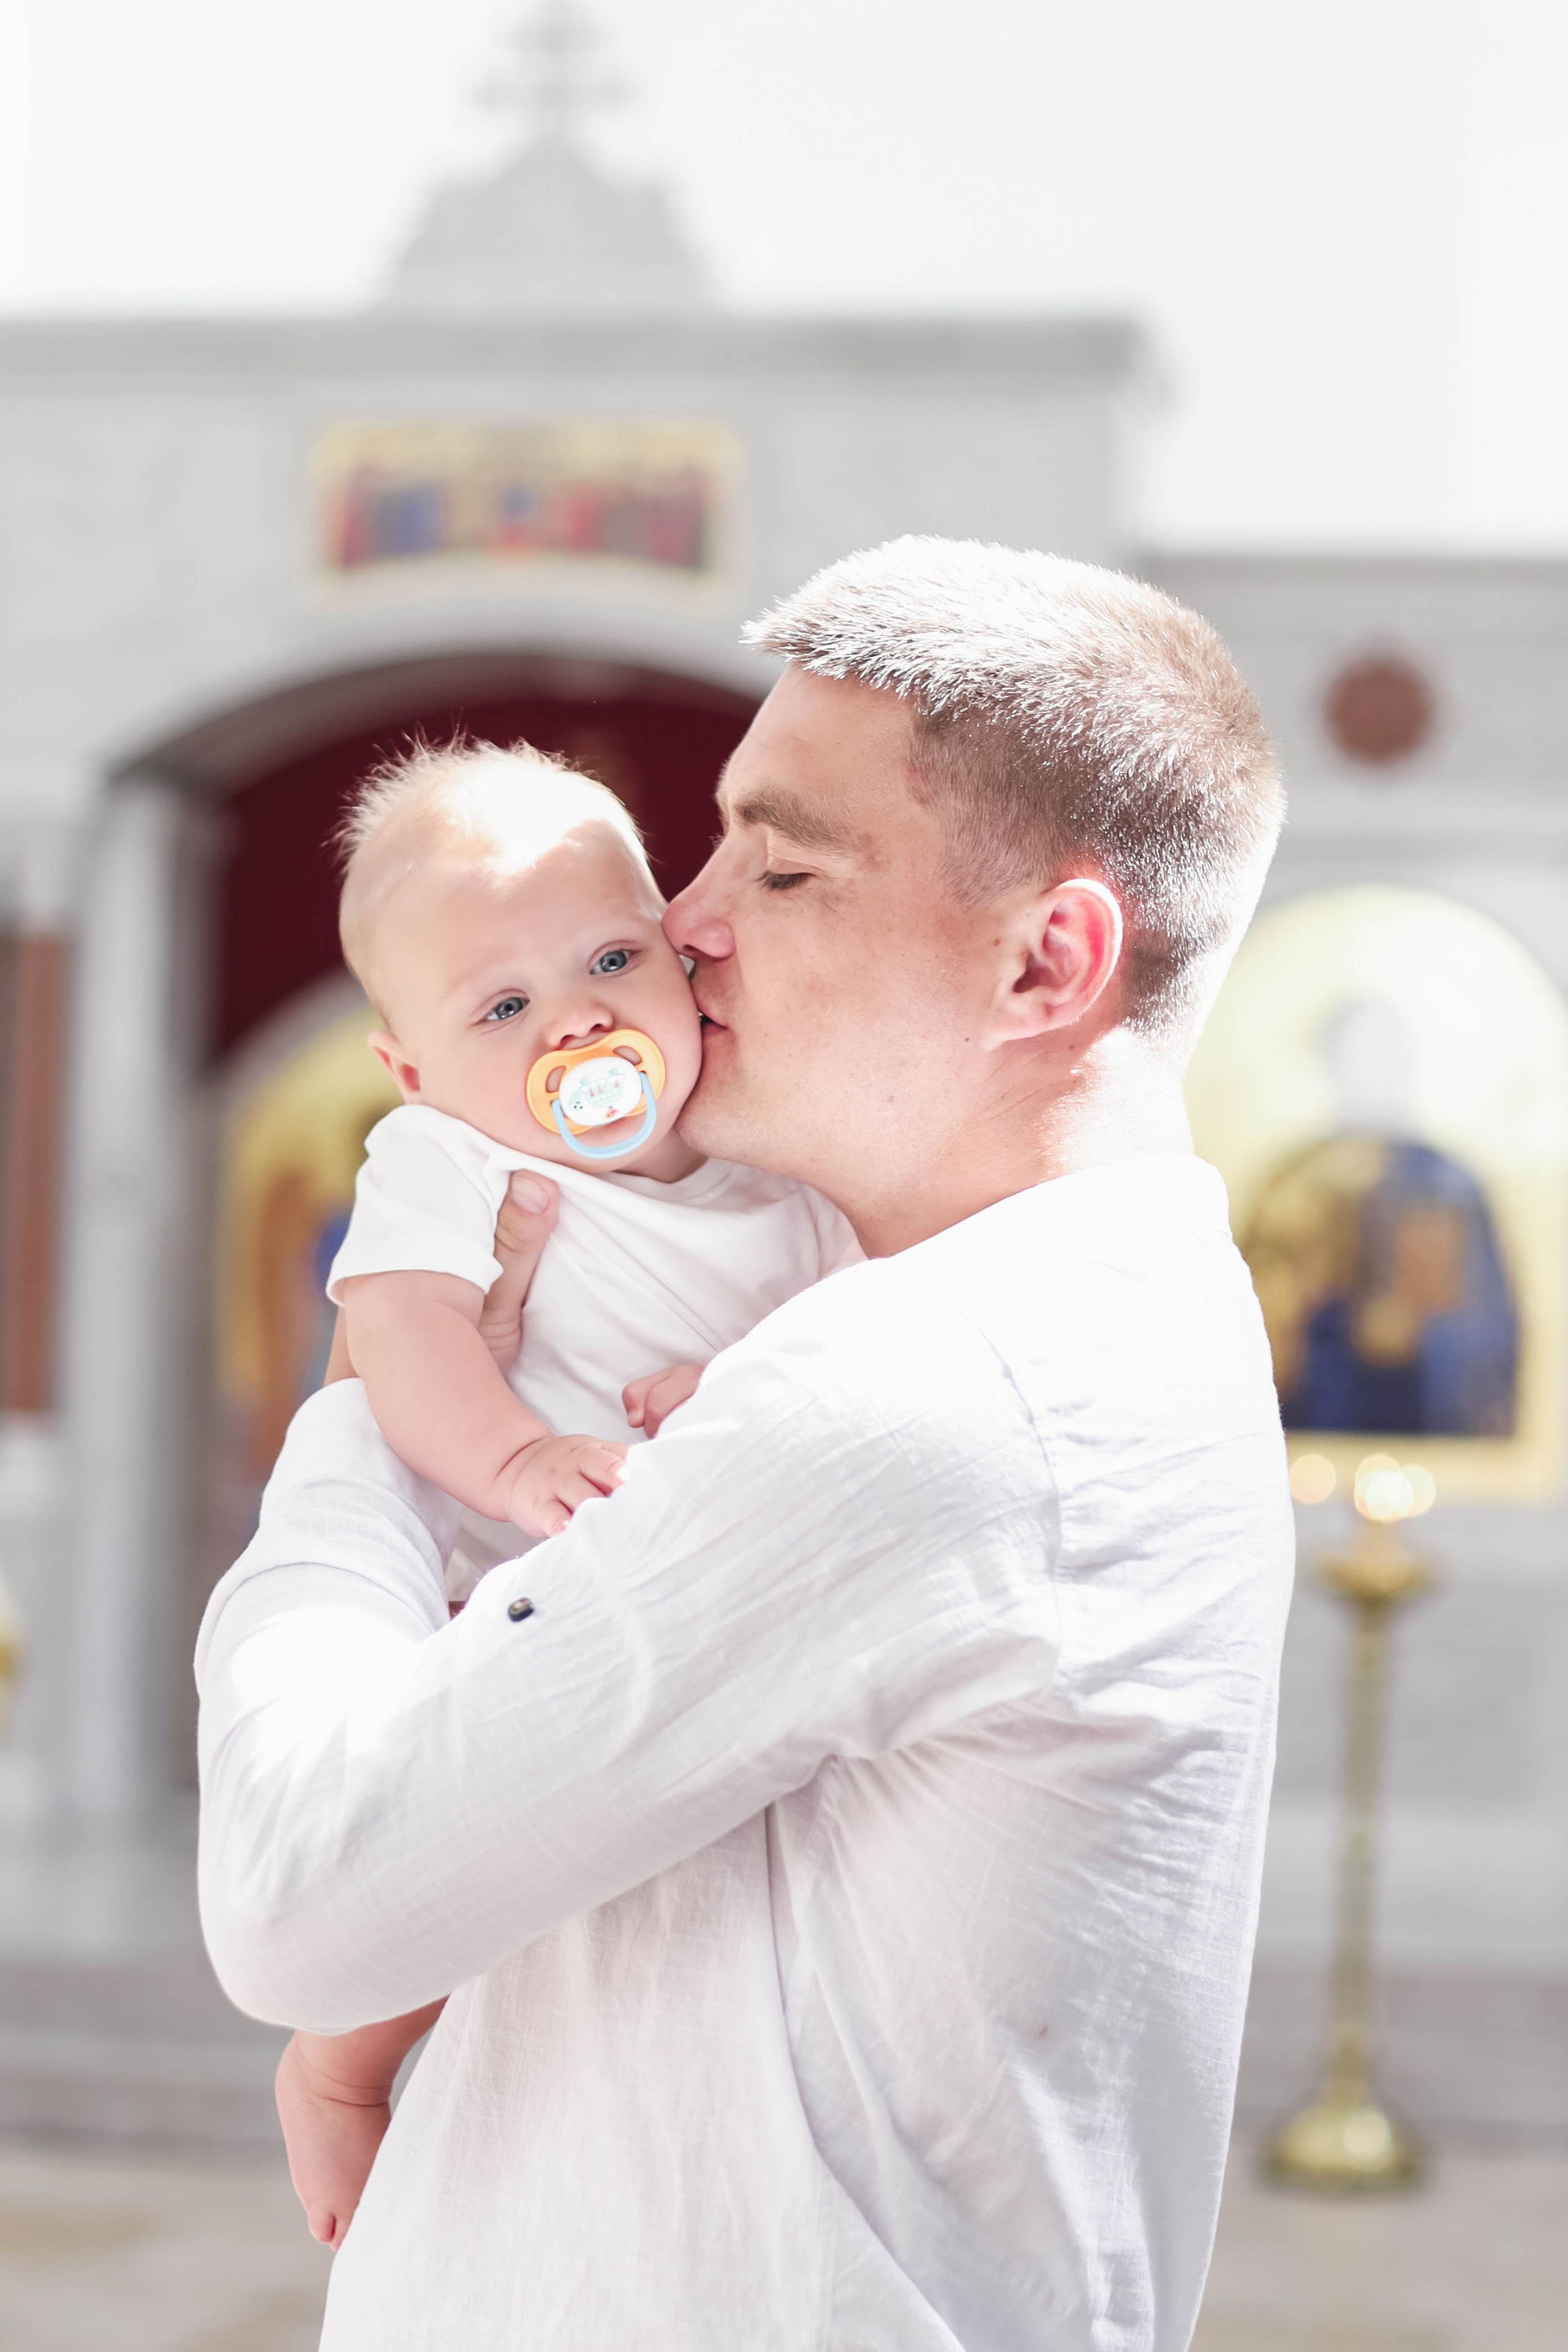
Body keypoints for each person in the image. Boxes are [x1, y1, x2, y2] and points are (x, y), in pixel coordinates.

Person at [197, 536, 1294, 2352]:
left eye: (779, 861)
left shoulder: (920, 1390)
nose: (686, 923)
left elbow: (301, 1899)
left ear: (1049, 961)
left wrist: (356, 1438)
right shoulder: (1091, 1310)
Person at [275, 739, 855, 2245]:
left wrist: (742, 1381)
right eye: (504, 1007)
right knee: (451, 1865)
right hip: (501, 1580)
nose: (579, 1020)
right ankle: (338, 2069)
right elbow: (396, 1328)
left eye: (610, 954)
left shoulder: (772, 1152)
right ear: (412, 1068)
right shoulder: (446, 1154)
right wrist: (512, 1456)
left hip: (701, 1596)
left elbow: (844, 1323)